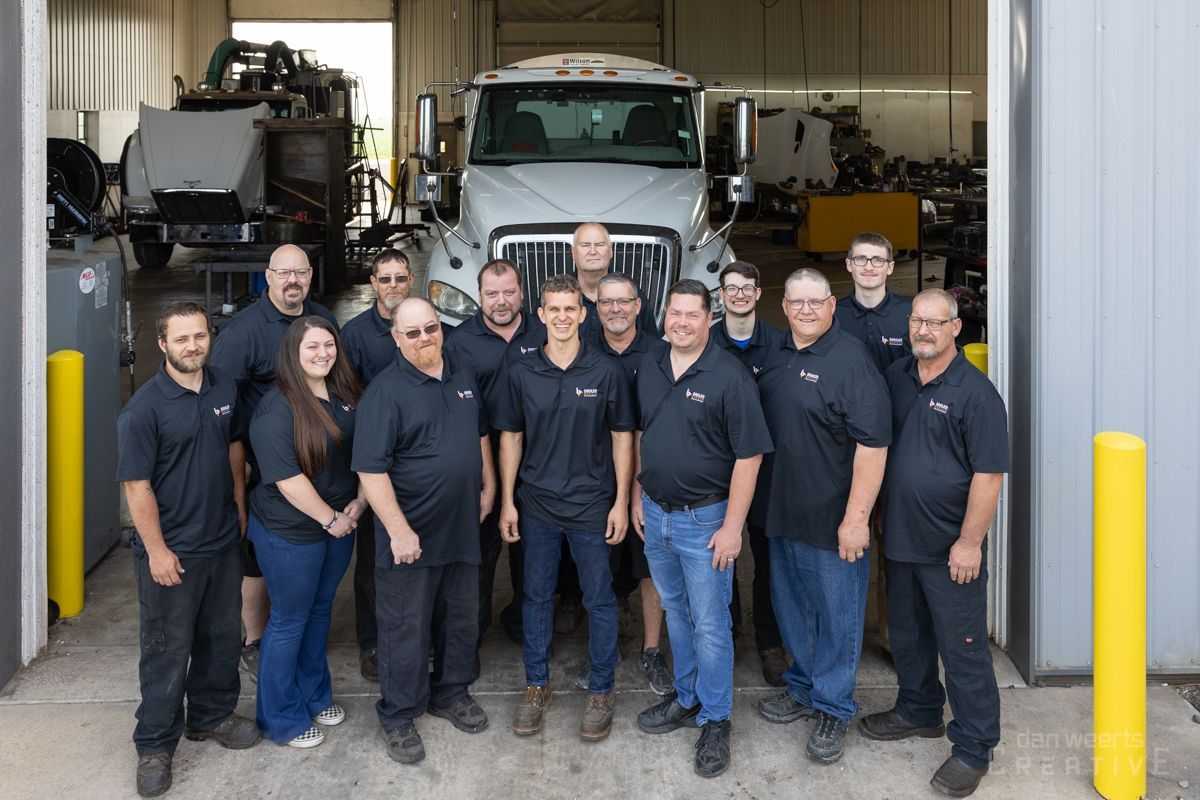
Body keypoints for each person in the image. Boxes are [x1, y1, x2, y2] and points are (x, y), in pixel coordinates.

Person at [858, 289, 1009, 798]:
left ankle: (973, 746)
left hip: (950, 550)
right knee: (908, 634)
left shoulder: (976, 393)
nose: (923, 330)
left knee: (963, 649)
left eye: (934, 323)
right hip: (899, 537)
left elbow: (988, 477)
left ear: (955, 329)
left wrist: (971, 542)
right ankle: (919, 710)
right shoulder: (897, 376)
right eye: (916, 321)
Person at [118, 302, 261, 797]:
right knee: (165, 650)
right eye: (181, 339)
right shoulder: (144, 409)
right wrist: (156, 551)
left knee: (222, 637)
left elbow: (234, 445)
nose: (192, 346)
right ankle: (155, 743)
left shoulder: (223, 386)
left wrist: (239, 504)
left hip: (221, 540)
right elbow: (136, 486)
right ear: (162, 345)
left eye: (199, 336)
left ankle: (212, 715)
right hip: (172, 551)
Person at [632, 279, 773, 778]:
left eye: (693, 314)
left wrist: (733, 527)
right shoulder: (649, 364)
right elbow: (643, 434)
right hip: (657, 514)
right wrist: (636, 496)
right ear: (664, 317)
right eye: (675, 314)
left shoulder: (729, 376)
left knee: (711, 624)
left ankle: (716, 718)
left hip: (705, 521)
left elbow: (749, 455)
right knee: (676, 611)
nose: (682, 323)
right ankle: (688, 697)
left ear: (708, 319)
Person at [754, 268, 892, 764]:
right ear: (784, 307)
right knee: (792, 608)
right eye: (797, 303)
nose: (806, 311)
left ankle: (833, 705)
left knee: (838, 616)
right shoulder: (777, 355)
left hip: (833, 522)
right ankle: (804, 686)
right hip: (782, 512)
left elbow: (873, 447)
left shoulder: (851, 362)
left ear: (832, 306)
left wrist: (857, 519)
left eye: (816, 302)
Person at [353, 298, 496, 764]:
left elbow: (478, 434)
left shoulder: (460, 375)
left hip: (461, 528)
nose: (424, 339)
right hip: (411, 536)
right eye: (411, 333)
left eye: (430, 328)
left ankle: (450, 692)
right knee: (404, 628)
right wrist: (397, 530)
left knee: (460, 618)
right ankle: (398, 714)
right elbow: (371, 472)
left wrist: (488, 483)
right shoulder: (385, 393)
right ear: (397, 339)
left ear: (441, 329)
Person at [496, 274, 635, 742]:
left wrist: (619, 501)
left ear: (583, 313)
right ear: (541, 315)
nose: (561, 317)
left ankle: (602, 689)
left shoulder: (605, 371)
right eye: (552, 309)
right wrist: (507, 502)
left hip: (592, 505)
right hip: (536, 504)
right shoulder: (522, 371)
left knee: (600, 598)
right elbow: (511, 437)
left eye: (569, 309)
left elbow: (622, 438)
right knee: (535, 597)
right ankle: (536, 684)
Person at [210, 244, 339, 680]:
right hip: (259, 461)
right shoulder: (244, 332)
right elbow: (219, 399)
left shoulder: (320, 319)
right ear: (267, 278)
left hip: (316, 460)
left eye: (300, 273)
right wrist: (235, 466)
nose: (292, 281)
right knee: (255, 554)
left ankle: (288, 631)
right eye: (283, 274)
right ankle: (253, 638)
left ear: (310, 275)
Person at [246, 316, 366, 749]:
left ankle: (315, 695)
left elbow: (366, 450)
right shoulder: (275, 408)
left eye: (329, 345)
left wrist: (360, 501)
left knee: (319, 612)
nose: (322, 354)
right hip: (291, 531)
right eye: (311, 347)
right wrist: (332, 519)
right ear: (292, 355)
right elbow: (287, 480)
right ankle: (280, 718)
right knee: (289, 620)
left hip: (340, 523)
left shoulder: (344, 393)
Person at [443, 258, 544, 655]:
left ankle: (523, 622)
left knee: (532, 553)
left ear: (522, 292)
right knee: (479, 555)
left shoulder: (546, 331)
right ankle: (473, 632)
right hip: (480, 461)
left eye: (508, 292)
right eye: (491, 293)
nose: (500, 302)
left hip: (535, 461)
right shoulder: (458, 342)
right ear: (479, 295)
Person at [587, 273, 673, 697]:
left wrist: (638, 491)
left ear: (639, 306)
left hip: (646, 482)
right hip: (592, 482)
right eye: (607, 303)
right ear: (596, 308)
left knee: (649, 569)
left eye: (624, 301)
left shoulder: (662, 355)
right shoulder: (583, 352)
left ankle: (652, 650)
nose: (615, 309)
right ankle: (601, 649)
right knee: (597, 568)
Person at [708, 260, 788, 686]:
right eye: (731, 288)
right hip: (718, 471)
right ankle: (728, 632)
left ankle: (770, 641)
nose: (739, 295)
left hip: (769, 472)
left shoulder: (780, 345)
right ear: (720, 296)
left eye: (747, 288)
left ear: (759, 294)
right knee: (720, 556)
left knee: (768, 561)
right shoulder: (705, 343)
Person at [835, 231, 912, 658]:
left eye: (876, 260)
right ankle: (842, 639)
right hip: (844, 453)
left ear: (889, 268)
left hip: (898, 452)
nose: (868, 267)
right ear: (848, 264)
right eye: (860, 259)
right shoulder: (831, 314)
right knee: (845, 545)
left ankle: (894, 641)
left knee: (894, 553)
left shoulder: (908, 316)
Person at [338, 248, 412, 681]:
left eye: (400, 278)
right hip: (375, 463)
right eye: (384, 279)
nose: (393, 286)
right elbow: (347, 399)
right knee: (372, 559)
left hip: (418, 462)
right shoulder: (355, 334)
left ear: (410, 280)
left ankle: (414, 636)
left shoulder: (427, 327)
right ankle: (371, 642)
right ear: (373, 283)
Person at [572, 221, 659, 340]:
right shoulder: (557, 298)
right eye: (585, 245)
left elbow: (653, 346)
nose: (592, 251)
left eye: (600, 244)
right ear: (573, 252)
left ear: (611, 250)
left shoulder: (632, 298)